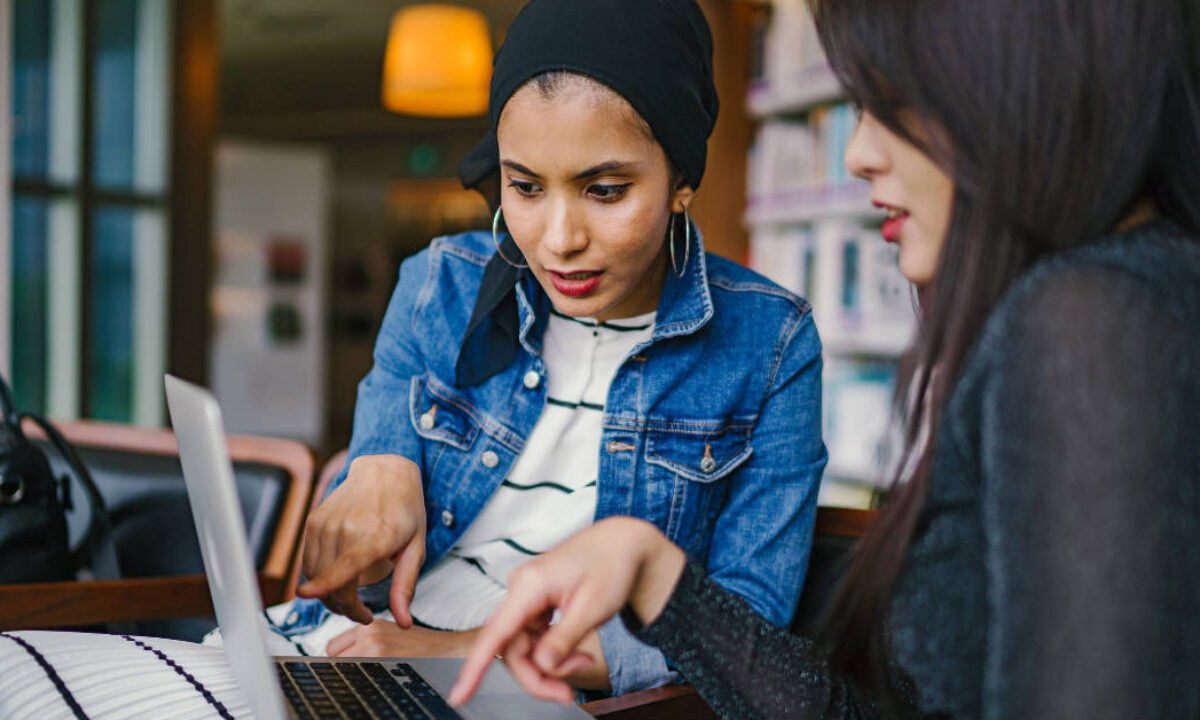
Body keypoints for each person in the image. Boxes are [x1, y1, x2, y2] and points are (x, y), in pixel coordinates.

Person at [450, 0, 1200, 717]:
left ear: (1026, 80)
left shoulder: (1095, 319)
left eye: (894, 100)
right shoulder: (1096, 306)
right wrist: (655, 576)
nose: (859, 153)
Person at [277, 0, 827, 699]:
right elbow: (372, 483)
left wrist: (460, 651)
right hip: (347, 646)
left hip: (518, 685)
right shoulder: (440, 282)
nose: (558, 239)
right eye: (526, 187)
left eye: (604, 190)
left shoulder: (771, 344)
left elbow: (741, 630)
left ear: (682, 181)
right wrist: (376, 466)